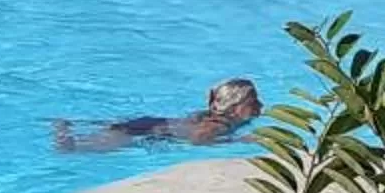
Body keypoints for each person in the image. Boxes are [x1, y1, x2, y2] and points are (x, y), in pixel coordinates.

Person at [52, 78, 263, 153]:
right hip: (152, 131)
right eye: (253, 102)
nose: (260, 105)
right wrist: (237, 141)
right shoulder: (219, 125)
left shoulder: (207, 115)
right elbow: (198, 139)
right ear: (234, 108)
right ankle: (65, 140)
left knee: (113, 129)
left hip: (152, 122)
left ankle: (67, 126)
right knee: (79, 148)